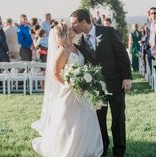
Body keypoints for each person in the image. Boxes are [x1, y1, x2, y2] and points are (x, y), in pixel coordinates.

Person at [31, 22, 103, 157]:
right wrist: (68, 84)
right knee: (70, 122)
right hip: (69, 90)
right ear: (64, 33)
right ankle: (67, 148)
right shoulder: (63, 50)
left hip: (82, 90)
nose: (73, 29)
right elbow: (55, 72)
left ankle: (87, 148)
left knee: (86, 120)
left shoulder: (76, 47)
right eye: (69, 29)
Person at [70, 9, 132, 157]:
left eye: (74, 23)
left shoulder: (109, 32)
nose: (72, 26)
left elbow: (122, 54)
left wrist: (127, 77)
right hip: (96, 87)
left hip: (116, 82)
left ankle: (119, 150)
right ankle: (102, 147)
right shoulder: (78, 41)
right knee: (99, 120)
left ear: (83, 22)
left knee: (118, 118)